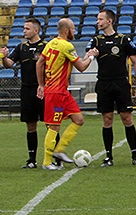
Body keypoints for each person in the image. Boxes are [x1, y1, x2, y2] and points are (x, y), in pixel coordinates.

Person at [35, 18, 95, 170]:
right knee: (54, 126)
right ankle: (47, 162)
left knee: (79, 119)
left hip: (61, 92)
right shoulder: (67, 46)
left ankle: (59, 150)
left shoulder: (51, 43)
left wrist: (41, 84)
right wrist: (92, 55)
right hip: (56, 93)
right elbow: (81, 67)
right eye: (73, 29)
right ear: (67, 30)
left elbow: (39, 63)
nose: (74, 31)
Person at [88, 9, 136, 167]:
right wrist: (90, 54)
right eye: (97, 19)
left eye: (100, 19)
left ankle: (135, 154)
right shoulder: (96, 41)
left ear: (109, 21)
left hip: (120, 83)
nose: (98, 22)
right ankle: (108, 156)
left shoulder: (123, 40)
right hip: (104, 84)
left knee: (127, 118)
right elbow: (87, 56)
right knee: (107, 120)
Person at [1, 17, 46, 168]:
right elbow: (9, 65)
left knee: (50, 125)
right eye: (24, 28)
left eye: (27, 29)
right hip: (26, 90)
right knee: (30, 125)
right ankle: (32, 159)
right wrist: (5, 57)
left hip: (43, 89)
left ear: (36, 30)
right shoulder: (21, 48)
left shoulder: (46, 47)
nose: (24, 31)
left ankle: (52, 157)